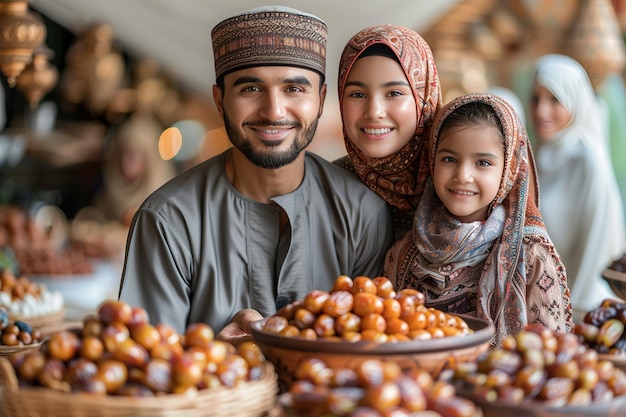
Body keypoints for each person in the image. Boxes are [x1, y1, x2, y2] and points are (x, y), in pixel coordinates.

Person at [117, 6, 394, 340]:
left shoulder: (362, 213)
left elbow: (370, 353)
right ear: (219, 101)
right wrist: (216, 358)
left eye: (294, 89)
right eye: (250, 89)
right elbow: (146, 366)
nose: (273, 111)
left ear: (321, 100)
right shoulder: (169, 220)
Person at [385, 93, 573, 346]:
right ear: (432, 161)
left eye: (483, 162)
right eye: (449, 159)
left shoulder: (530, 255)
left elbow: (554, 354)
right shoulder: (406, 251)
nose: (463, 175)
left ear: (509, 169)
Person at [529, 54, 626, 321]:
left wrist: (572, 314)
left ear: (575, 101)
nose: (541, 112)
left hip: (580, 311)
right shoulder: (536, 154)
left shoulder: (588, 160)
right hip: (539, 307)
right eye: (536, 99)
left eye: (555, 100)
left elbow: (598, 244)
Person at [335, 24, 441, 240]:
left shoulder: (456, 181)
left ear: (424, 98)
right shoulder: (326, 189)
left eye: (393, 93)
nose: (374, 112)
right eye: (357, 94)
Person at [91, 112, 177, 225]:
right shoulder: (106, 197)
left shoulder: (164, 204)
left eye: (133, 155)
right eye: (121, 153)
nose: (125, 161)